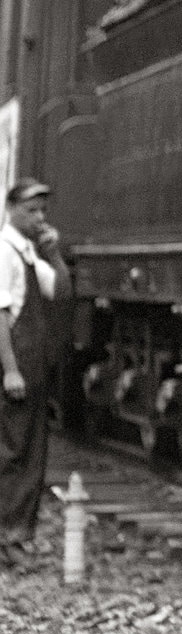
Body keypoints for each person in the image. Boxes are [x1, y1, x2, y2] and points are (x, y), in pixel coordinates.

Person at [1, 178, 69, 557]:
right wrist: (10, 369)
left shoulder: (26, 252)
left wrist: (54, 254)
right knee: (13, 452)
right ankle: (8, 536)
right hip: (16, 364)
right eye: (32, 210)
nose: (40, 217)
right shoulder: (4, 252)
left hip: (32, 364)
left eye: (43, 210)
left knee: (29, 452)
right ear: (11, 209)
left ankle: (17, 534)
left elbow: (59, 292)